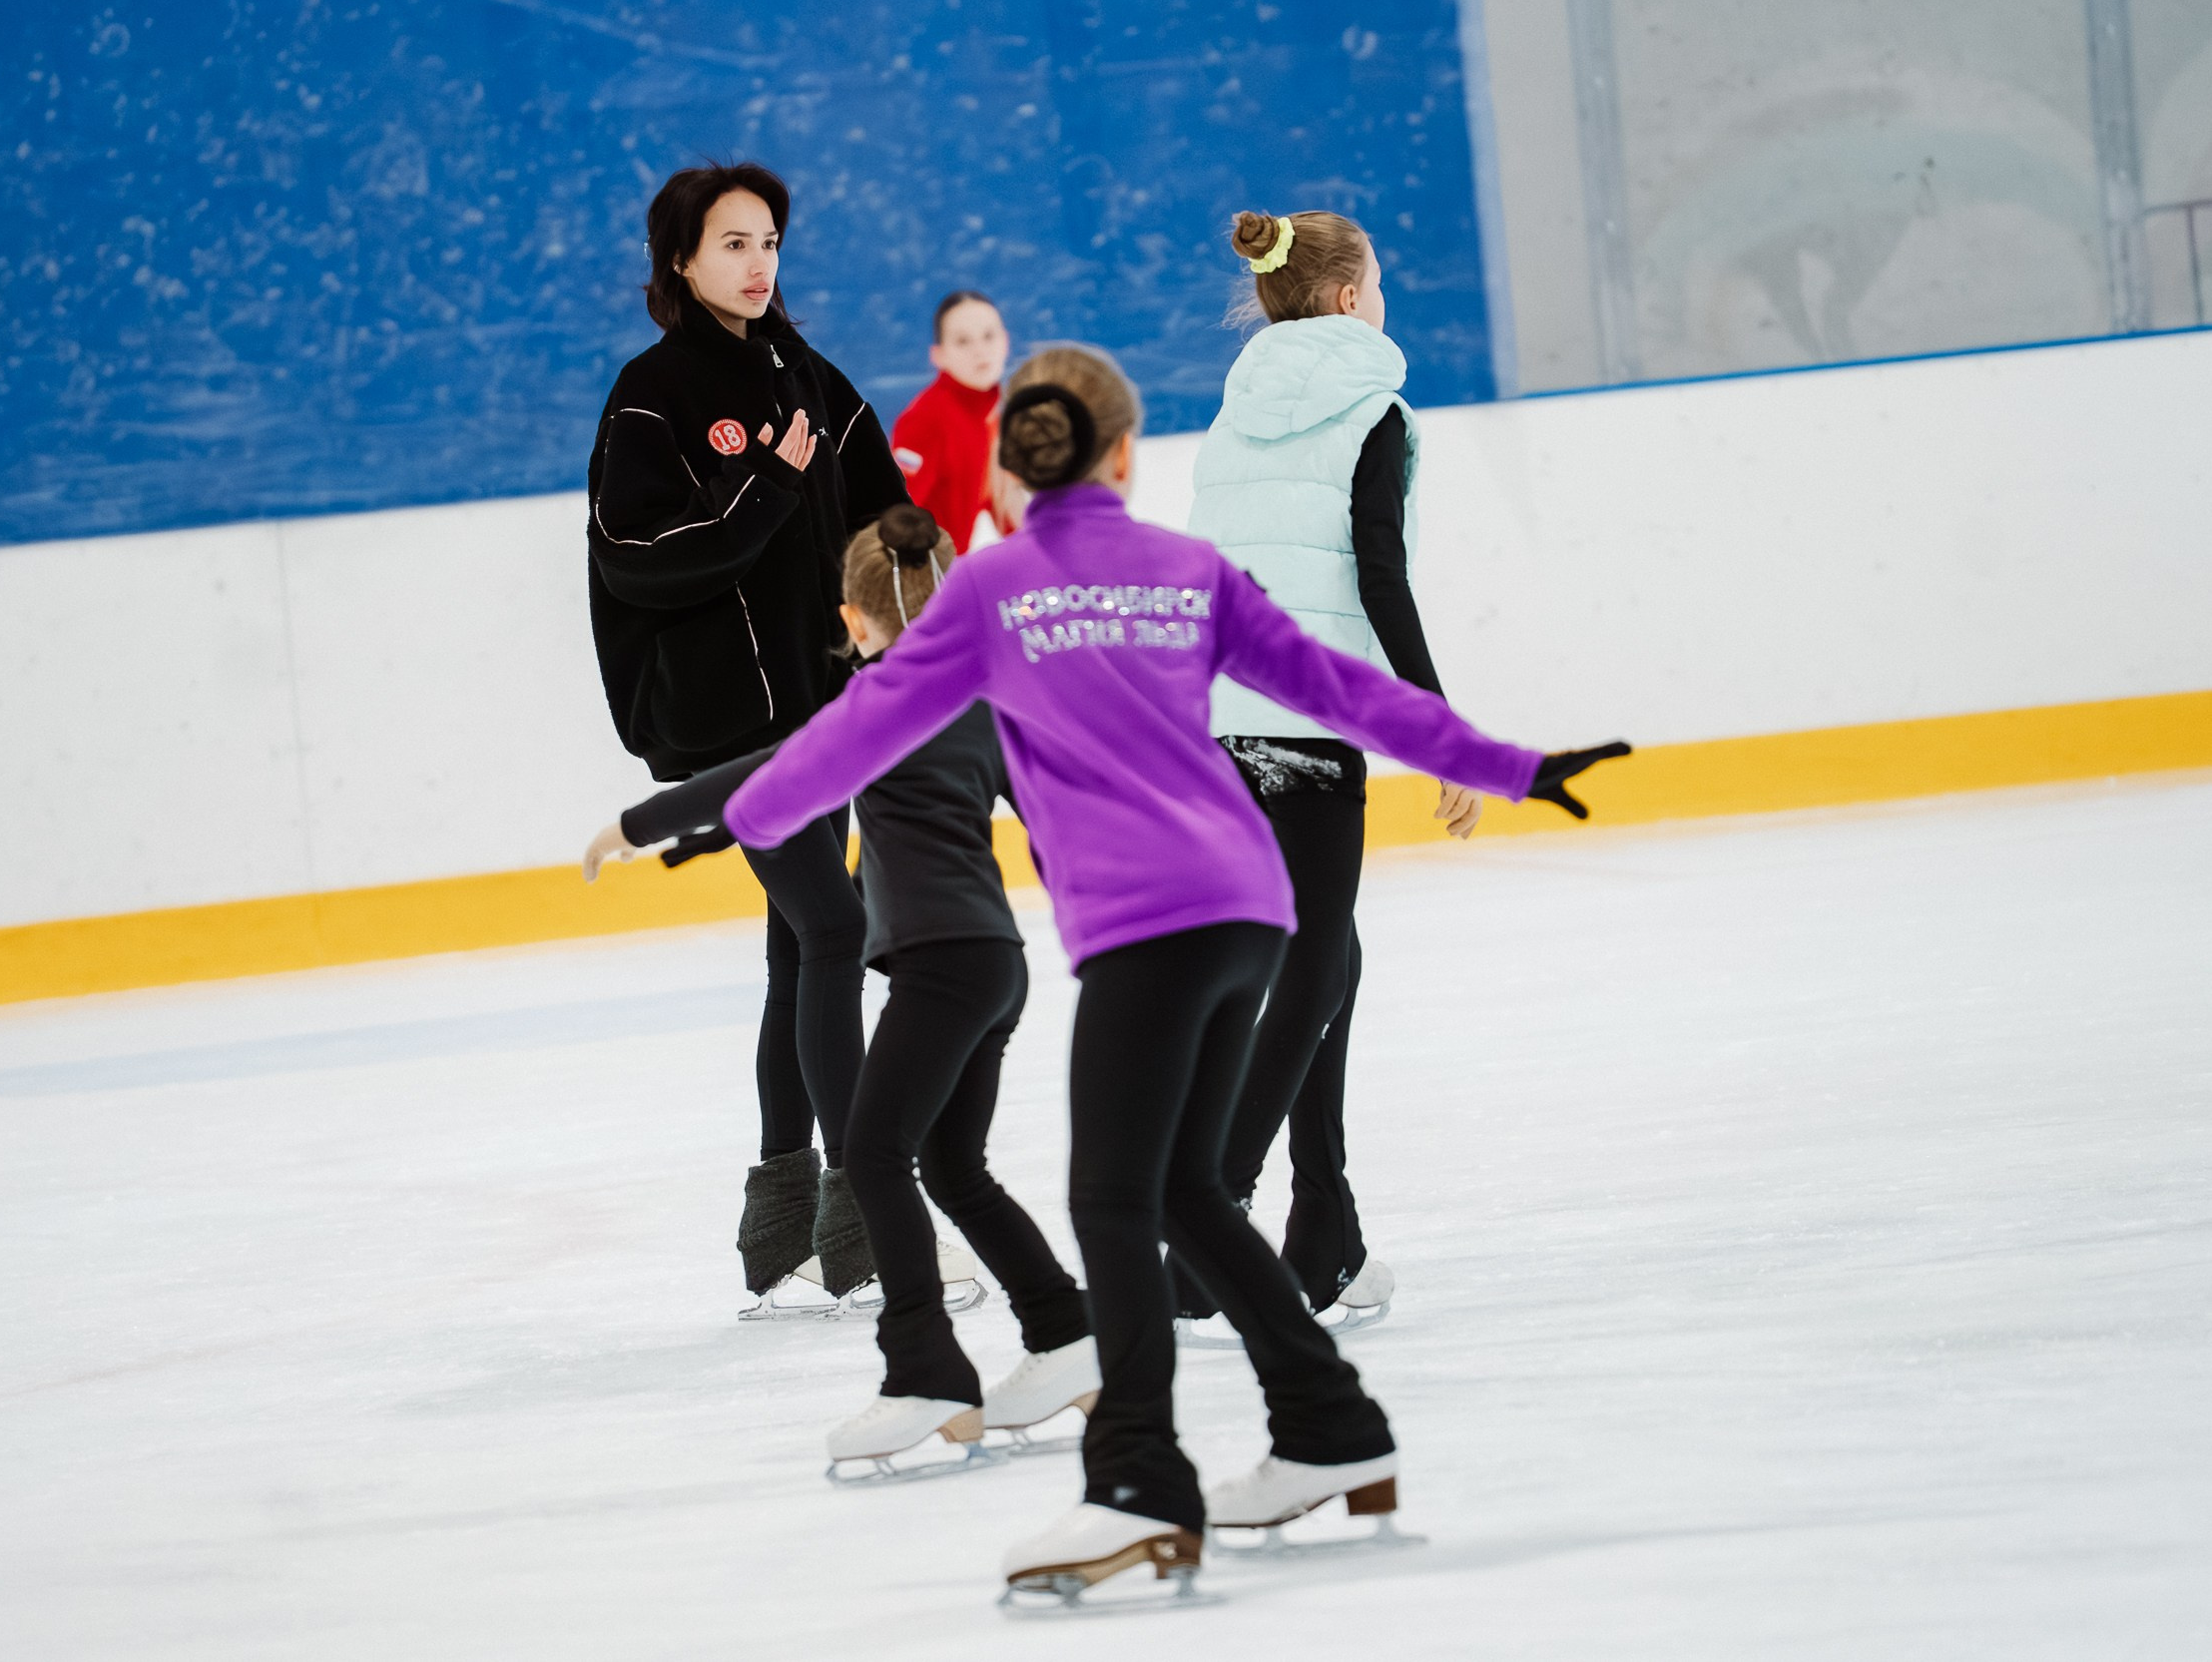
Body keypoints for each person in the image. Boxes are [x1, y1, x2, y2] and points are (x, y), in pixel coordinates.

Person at [719, 344, 1628, 1601]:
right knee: (1190, 1190)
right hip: (1248, 904)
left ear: (1005, 463)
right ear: (1126, 455)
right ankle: (1328, 1425)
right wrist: (1506, 764)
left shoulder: (989, 590)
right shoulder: (1186, 571)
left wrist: (747, 814)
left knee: (1115, 1201)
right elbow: (1343, 691)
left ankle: (1137, 1480)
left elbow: (854, 734)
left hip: (1147, 930)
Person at [584, 504, 1098, 1475]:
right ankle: (1064, 1335)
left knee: (871, 1151)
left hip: (943, 966)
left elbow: (754, 774)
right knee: (952, 1166)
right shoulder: (985, 699)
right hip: (995, 964)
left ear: (852, 622)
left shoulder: (872, 706)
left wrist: (635, 821)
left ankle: (925, 1375)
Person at [583, 161, 913, 1310]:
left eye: (767, 240)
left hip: (825, 710)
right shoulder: (649, 395)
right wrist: (767, 487)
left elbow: (885, 515)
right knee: (833, 927)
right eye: (731, 243)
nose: (757, 262)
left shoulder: (807, 376)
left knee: (800, 951)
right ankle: (864, 1210)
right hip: (731, 726)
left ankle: (781, 1218)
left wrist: (926, 571)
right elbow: (644, 559)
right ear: (680, 261)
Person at [1170, 208, 1470, 1347]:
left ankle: (1324, 1223)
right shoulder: (1374, 412)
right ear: (1348, 299)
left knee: (1328, 952)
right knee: (1309, 964)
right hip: (1301, 724)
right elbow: (1378, 576)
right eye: (1379, 281)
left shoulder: (1232, 414)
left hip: (1213, 716)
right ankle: (1216, 1213)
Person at [888, 290, 1010, 552]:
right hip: (926, 579)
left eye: (989, 336)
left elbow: (1006, 514)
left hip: (955, 574)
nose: (980, 350)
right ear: (938, 355)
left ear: (1005, 341)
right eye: (963, 341)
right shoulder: (925, 419)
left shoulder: (993, 417)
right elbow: (895, 515)